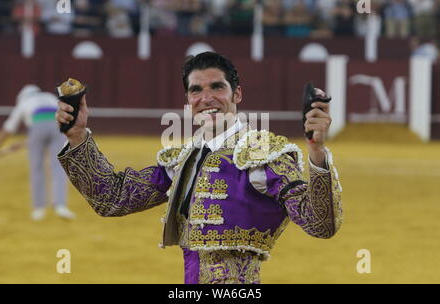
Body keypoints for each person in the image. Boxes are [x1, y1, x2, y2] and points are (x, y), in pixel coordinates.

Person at [55, 52, 342, 284]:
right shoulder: (182, 160)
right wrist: (78, 136)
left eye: (217, 87)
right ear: (188, 101)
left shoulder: (263, 155)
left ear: (237, 94)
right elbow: (111, 198)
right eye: (196, 90)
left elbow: (320, 224)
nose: (206, 98)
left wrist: (316, 151)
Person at [0, 85, 75, 221]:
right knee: (59, 166)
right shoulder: (50, 97)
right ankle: (60, 205)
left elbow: (7, 130)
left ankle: (39, 208)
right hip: (60, 126)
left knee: (37, 168)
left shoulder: (24, 102)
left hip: (38, 129)